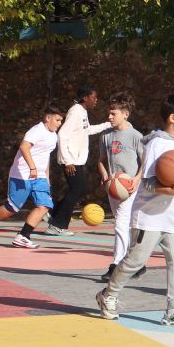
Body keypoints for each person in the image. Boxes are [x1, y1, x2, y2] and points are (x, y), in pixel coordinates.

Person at [96, 94, 174, 327]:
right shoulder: (157, 144)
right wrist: (171, 191)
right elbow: (148, 182)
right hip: (150, 217)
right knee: (134, 262)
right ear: (172, 118)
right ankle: (108, 295)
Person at [0, 105, 65, 249]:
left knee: (45, 205)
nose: (60, 123)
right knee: (12, 208)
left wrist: (47, 178)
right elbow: (23, 147)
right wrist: (32, 167)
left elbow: (45, 156)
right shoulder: (36, 131)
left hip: (40, 177)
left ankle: (23, 236)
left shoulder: (53, 136)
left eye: (61, 121)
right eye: (58, 120)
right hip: (21, 175)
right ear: (48, 118)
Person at [47, 87, 111, 236]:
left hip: (76, 159)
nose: (96, 100)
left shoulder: (82, 111)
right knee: (78, 189)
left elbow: (86, 130)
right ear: (85, 98)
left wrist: (107, 125)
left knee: (78, 189)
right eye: (94, 97)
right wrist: (68, 161)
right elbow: (62, 135)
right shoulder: (75, 111)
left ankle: (53, 215)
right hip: (71, 160)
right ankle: (57, 224)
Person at [96, 92, 145, 282]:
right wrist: (105, 176)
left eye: (113, 113)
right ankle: (137, 265)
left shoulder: (135, 136)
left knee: (121, 224)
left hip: (130, 187)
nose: (109, 117)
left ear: (125, 114)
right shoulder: (106, 136)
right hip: (113, 187)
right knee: (126, 224)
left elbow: (145, 161)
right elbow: (101, 161)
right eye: (108, 113)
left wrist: (136, 179)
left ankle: (116, 266)